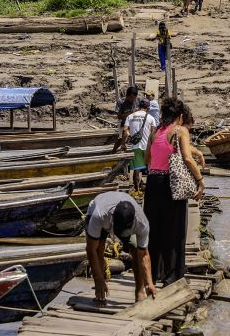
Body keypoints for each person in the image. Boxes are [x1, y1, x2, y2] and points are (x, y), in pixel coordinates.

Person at [144, 98, 205, 286]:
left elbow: (147, 159)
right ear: (180, 116)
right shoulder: (180, 130)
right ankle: (172, 276)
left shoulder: (155, 132)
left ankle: (153, 274)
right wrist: (200, 181)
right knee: (174, 230)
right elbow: (187, 158)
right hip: (171, 184)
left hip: (153, 183)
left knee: (154, 230)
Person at [85, 191, 156, 303]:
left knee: (136, 248)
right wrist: (99, 279)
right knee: (99, 249)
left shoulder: (142, 223)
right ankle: (100, 292)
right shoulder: (99, 215)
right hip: (101, 216)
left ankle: (139, 290)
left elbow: (143, 254)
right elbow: (91, 249)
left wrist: (149, 282)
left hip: (124, 219)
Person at [123, 99, 157, 191]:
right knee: (150, 169)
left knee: (136, 170)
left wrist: (123, 143)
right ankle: (150, 189)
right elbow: (153, 134)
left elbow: (125, 130)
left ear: (139, 106)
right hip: (147, 147)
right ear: (148, 108)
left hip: (135, 146)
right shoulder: (151, 118)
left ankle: (137, 190)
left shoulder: (130, 116)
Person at [111, 86, 139, 154]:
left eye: (135, 98)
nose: (133, 99)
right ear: (127, 96)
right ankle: (113, 151)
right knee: (121, 138)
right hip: (124, 123)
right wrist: (130, 113)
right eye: (132, 97)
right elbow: (119, 116)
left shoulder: (137, 100)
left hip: (134, 123)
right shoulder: (121, 102)